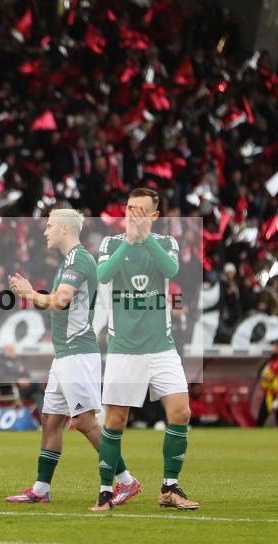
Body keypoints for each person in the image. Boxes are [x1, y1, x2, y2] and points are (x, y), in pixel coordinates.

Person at [5, 209, 139, 504]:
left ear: (65, 229)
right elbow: (55, 304)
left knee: (85, 421)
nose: (45, 231)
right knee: (51, 419)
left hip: (78, 354)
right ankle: (41, 489)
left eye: (50, 226)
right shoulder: (68, 262)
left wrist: (30, 294)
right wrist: (31, 295)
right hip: (65, 355)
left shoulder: (79, 260)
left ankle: (126, 481)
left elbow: (61, 300)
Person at [92, 188, 198, 512]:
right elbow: (103, 275)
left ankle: (169, 487)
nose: (133, 215)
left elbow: (171, 271)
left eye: (141, 211)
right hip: (124, 348)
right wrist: (129, 240)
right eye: (129, 209)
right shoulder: (111, 244)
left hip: (160, 347)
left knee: (181, 412)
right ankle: (106, 492)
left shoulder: (166, 243)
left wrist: (146, 237)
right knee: (115, 420)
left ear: (154, 216)